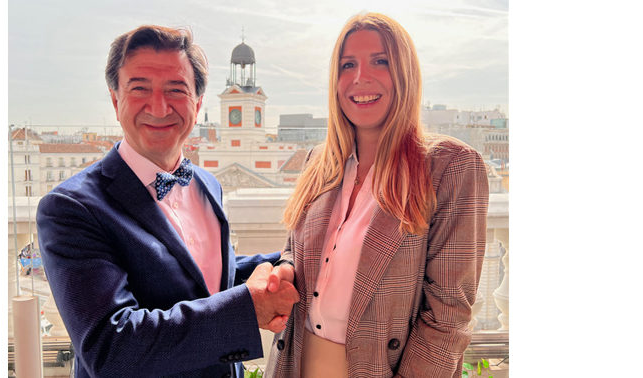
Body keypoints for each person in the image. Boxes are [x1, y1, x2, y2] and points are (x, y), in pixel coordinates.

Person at [37, 25, 299, 378]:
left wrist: (296, 261)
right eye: (140, 88)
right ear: (116, 100)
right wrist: (248, 309)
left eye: (176, 89)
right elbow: (111, 348)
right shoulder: (71, 208)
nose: (158, 106)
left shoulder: (207, 183)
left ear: (198, 102)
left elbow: (208, 280)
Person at [265, 12, 489, 378]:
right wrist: (286, 270)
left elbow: (449, 315)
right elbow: (295, 249)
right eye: (347, 64)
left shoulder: (451, 167)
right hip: (296, 362)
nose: (360, 78)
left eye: (380, 61)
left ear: (405, 73)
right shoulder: (318, 161)